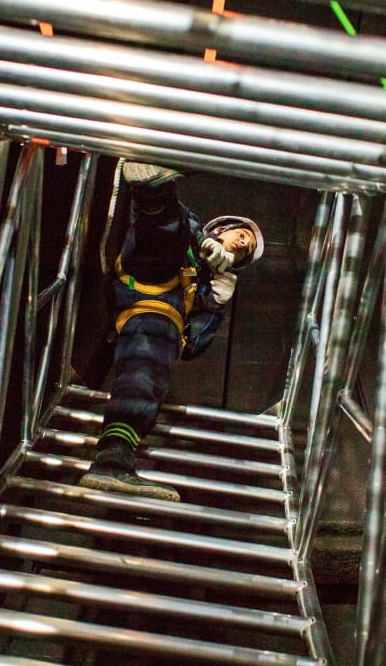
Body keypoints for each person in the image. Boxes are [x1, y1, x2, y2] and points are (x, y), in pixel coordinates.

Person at [78, 161, 264, 501]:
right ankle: (152, 190)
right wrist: (203, 241)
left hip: (157, 317)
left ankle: (113, 461)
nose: (242, 243)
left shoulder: (211, 289)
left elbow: (191, 346)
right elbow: (185, 223)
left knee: (147, 370)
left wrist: (215, 305)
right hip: (142, 276)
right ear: (221, 228)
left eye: (247, 249)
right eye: (241, 235)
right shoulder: (190, 232)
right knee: (167, 236)